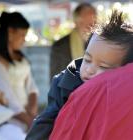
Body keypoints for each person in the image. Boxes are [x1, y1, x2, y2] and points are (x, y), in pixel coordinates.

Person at [26, 10, 128, 140]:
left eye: (103, 66)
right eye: (87, 59)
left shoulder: (122, 92)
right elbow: (45, 121)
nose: (90, 70)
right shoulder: (64, 85)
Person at [0, 11, 38, 132]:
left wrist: (32, 108)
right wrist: (28, 120)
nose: (24, 39)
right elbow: (7, 97)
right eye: (22, 35)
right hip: (11, 117)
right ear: (10, 33)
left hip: (28, 113)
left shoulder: (21, 58)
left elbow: (31, 86)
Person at [50, 2, 96, 78]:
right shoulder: (60, 46)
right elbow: (55, 79)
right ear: (76, 22)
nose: (91, 28)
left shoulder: (99, 44)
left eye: (93, 23)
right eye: (87, 24)